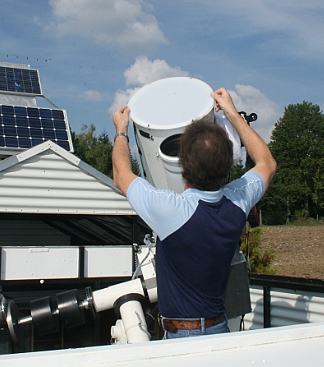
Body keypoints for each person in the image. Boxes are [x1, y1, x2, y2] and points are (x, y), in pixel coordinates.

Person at [112, 87, 277, 339]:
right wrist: (232, 112)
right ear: (225, 167)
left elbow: (121, 175)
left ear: (183, 166)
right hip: (218, 328)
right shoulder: (237, 202)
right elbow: (267, 163)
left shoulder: (172, 211)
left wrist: (121, 131)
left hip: (183, 336)